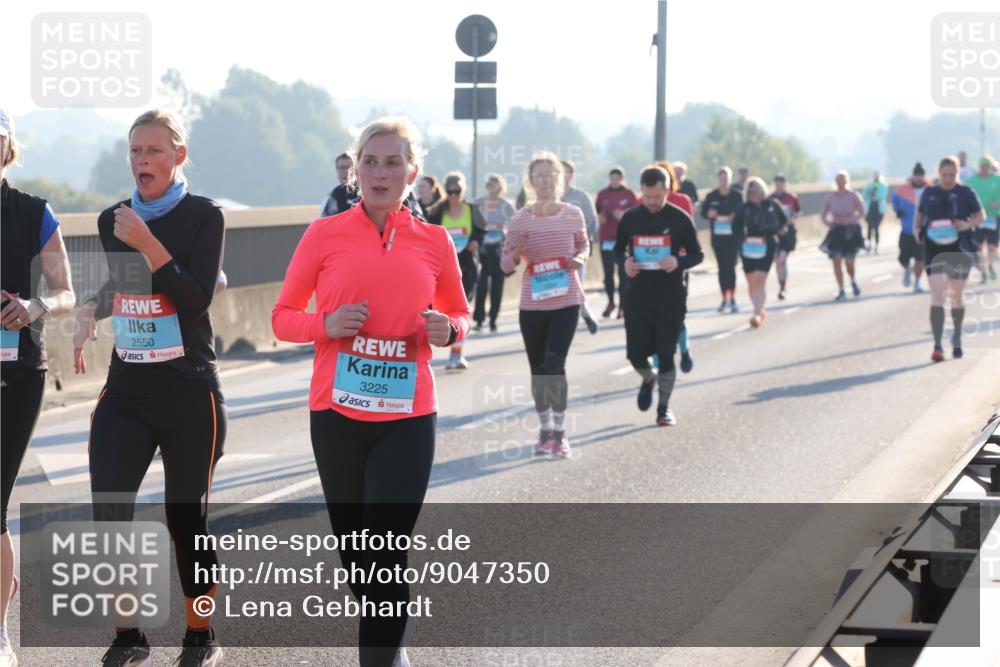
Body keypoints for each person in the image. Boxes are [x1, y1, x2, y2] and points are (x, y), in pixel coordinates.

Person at [272, 116, 471, 667]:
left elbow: (459, 313)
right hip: (337, 414)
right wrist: (326, 325)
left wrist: (448, 330)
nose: (380, 172)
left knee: (385, 552)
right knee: (358, 556)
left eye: (393, 162)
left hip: (408, 418)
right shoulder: (324, 234)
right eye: (370, 161)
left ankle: (380, 659)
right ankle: (392, 649)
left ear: (414, 172)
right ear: (355, 170)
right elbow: (283, 317)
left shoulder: (434, 242)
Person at [72, 109, 226, 666]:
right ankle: (128, 634)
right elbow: (123, 284)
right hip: (128, 390)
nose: (142, 161)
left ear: (178, 156)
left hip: (189, 390)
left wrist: (148, 241)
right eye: (135, 151)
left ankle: (199, 632)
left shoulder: (204, 217)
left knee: (187, 517)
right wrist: (93, 306)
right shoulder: (110, 219)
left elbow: (194, 300)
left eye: (154, 151)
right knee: (109, 507)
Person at [0, 107, 76, 667]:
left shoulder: (32, 212)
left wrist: (34, 307)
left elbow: (66, 292)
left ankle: (0, 630)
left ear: (8, 148)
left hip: (14, 372)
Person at [501, 151, 589, 458]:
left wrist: (579, 258)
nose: (545, 182)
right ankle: (544, 430)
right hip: (533, 304)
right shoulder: (520, 219)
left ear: (560, 179)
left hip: (566, 300)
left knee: (555, 365)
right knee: (538, 370)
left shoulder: (573, 213)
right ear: (530, 181)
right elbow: (505, 265)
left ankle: (560, 431)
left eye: (550, 175)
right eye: (538, 176)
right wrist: (517, 251)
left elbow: (583, 243)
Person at [617, 165, 703, 426]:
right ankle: (647, 377)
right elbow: (615, 250)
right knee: (635, 355)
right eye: (647, 196)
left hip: (670, 296)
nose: (652, 202)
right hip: (638, 296)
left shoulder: (679, 218)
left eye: (657, 196)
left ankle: (663, 408)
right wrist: (624, 264)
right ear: (641, 191)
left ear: (667, 190)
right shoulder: (631, 218)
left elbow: (698, 254)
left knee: (666, 354)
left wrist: (678, 261)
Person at [914, 155, 985, 362]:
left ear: (957, 174)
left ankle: (956, 337)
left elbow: (981, 215)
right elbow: (919, 216)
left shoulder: (965, 192)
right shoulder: (930, 192)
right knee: (937, 295)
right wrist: (917, 229)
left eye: (952, 175)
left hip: (959, 247)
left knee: (955, 296)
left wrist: (966, 225)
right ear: (938, 174)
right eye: (944, 175)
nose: (948, 179)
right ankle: (937, 345)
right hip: (934, 248)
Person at [427, 172, 485, 369]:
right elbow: (428, 233)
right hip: (442, 270)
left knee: (461, 308)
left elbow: (482, 231)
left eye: (457, 191)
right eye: (450, 191)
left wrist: (477, 242)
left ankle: (456, 354)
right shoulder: (437, 211)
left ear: (463, 190)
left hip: (467, 267)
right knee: (437, 310)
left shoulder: (473, 210)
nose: (453, 195)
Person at [654, 160, 695, 373]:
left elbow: (690, 235)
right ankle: (658, 362)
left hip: (677, 266)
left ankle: (685, 349)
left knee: (676, 313)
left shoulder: (682, 201)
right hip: (650, 267)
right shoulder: (643, 204)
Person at [735, 177, 787, 328]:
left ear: (762, 190)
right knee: (751, 281)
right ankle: (759, 309)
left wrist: (782, 230)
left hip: (767, 244)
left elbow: (783, 221)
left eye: (755, 190)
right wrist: (742, 239)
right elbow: (735, 226)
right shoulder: (743, 208)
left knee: (760, 279)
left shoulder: (772, 205)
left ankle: (757, 313)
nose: (753, 194)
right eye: (750, 191)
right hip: (748, 247)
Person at [561, 160, 600, 334]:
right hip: (554, 250)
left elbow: (592, 221)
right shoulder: (549, 198)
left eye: (567, 171)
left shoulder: (581, 196)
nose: (564, 175)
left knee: (576, 285)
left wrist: (581, 238)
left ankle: (582, 316)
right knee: (559, 288)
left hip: (577, 250)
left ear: (573, 174)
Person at [473, 173, 515, 332]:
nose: (492, 188)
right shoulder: (478, 203)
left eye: (496, 185)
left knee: (497, 286)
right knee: (481, 285)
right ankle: (478, 319)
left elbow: (515, 224)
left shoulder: (506, 205)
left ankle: (493, 319)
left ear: (501, 187)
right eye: (490, 185)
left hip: (499, 249)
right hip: (482, 250)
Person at [595, 167, 639, 319]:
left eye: (617, 178)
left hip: (624, 239)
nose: (614, 181)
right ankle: (610, 302)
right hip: (606, 239)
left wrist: (624, 215)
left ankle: (623, 306)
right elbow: (597, 212)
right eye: (612, 178)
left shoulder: (629, 194)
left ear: (621, 179)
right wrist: (600, 218)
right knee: (608, 274)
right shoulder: (602, 194)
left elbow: (638, 215)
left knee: (623, 274)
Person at [701, 166, 743, 313]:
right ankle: (724, 298)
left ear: (730, 180)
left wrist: (735, 216)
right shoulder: (711, 196)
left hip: (732, 238)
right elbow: (703, 213)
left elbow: (744, 213)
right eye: (721, 179)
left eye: (726, 179)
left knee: (730, 268)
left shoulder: (737, 196)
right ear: (718, 180)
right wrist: (709, 214)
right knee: (721, 268)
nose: (724, 181)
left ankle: (732, 298)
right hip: (718, 238)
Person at [820, 171, 866, 301]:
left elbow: (862, 212)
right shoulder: (830, 197)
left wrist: (851, 219)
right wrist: (829, 223)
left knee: (849, 262)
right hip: (836, 231)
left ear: (847, 182)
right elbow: (823, 215)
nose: (841, 184)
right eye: (838, 181)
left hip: (850, 231)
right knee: (836, 260)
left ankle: (852, 280)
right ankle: (841, 289)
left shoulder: (853, 196)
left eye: (843, 181)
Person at [892, 162, 928, 292]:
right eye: (916, 175)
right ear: (913, 176)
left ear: (923, 176)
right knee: (902, 258)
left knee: (920, 258)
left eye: (921, 175)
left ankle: (917, 283)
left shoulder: (929, 188)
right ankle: (907, 269)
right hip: (906, 229)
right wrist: (898, 210)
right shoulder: (903, 189)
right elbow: (894, 200)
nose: (918, 178)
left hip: (922, 230)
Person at [966, 156, 1000, 282]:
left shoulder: (997, 179)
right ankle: (983, 272)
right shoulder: (972, 181)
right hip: (977, 219)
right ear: (979, 167)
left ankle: (990, 265)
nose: (984, 168)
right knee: (979, 247)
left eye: (986, 165)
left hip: (993, 217)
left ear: (990, 166)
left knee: (991, 248)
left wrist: (998, 202)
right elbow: (965, 196)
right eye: (982, 165)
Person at [769, 174, 801, 299]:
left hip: (788, 232)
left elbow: (799, 211)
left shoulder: (791, 197)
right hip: (775, 232)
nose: (779, 185)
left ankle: (783, 287)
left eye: (781, 182)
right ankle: (781, 285)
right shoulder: (770, 198)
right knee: (778, 261)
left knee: (782, 259)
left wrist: (793, 218)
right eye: (777, 182)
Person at [320, 153, 355, 217]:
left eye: (349, 167)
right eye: (342, 168)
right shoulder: (332, 197)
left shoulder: (366, 194)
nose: (346, 171)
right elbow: (325, 222)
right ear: (337, 171)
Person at [862, 170, 888, 254]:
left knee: (876, 227)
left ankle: (877, 245)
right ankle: (869, 244)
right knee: (869, 227)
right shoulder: (869, 185)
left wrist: (875, 192)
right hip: (870, 208)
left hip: (878, 209)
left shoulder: (882, 185)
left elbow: (882, 195)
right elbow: (864, 195)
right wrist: (869, 192)